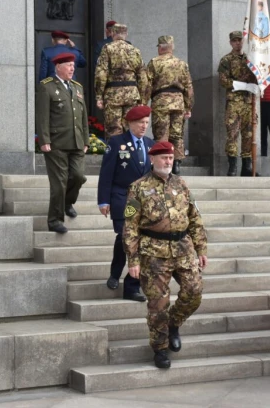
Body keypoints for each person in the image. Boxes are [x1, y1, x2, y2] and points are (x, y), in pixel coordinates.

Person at [123, 141, 208, 369]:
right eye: (163, 158)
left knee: (194, 292)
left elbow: (195, 217)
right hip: (153, 253)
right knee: (158, 304)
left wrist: (201, 248)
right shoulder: (138, 187)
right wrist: (133, 260)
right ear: (152, 159)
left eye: (170, 158)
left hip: (183, 248)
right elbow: (130, 227)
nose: (168, 161)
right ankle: (160, 349)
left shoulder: (181, 184)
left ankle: (174, 323)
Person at [97, 105, 154, 302]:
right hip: (122, 197)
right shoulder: (117, 143)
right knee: (124, 238)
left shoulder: (149, 144)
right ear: (130, 123)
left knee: (139, 241)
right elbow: (106, 174)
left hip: (143, 201)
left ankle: (132, 286)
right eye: (140, 123)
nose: (144, 126)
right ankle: (115, 272)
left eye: (146, 123)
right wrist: (104, 200)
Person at [36, 52, 89, 234]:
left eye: (73, 65)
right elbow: (42, 116)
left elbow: (83, 116)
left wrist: (86, 140)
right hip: (56, 143)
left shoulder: (77, 87)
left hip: (77, 141)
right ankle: (55, 220)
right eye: (68, 65)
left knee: (79, 176)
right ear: (58, 67)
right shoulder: (47, 87)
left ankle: (67, 202)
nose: (72, 68)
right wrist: (44, 140)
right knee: (59, 184)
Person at [146, 35, 193, 175]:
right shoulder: (182, 64)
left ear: (160, 47)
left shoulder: (154, 62)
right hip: (178, 102)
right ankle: (176, 164)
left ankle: (161, 163)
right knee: (177, 134)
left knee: (161, 133)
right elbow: (189, 87)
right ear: (172, 47)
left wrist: (143, 102)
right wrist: (188, 106)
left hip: (161, 100)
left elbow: (147, 85)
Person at [95, 24, 148, 138]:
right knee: (132, 127)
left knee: (113, 128)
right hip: (132, 94)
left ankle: (116, 154)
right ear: (126, 34)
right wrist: (143, 99)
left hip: (113, 94)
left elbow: (101, 74)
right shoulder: (135, 50)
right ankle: (131, 154)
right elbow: (143, 76)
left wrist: (99, 96)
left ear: (113, 33)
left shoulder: (107, 48)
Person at [218, 30, 257, 176]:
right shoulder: (226, 60)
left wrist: (255, 86)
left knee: (248, 134)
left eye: (240, 40)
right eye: (234, 41)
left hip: (248, 102)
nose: (237, 43)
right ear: (230, 42)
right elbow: (223, 80)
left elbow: (257, 76)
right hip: (234, 102)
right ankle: (232, 166)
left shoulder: (251, 59)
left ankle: (247, 167)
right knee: (232, 134)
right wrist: (243, 85)